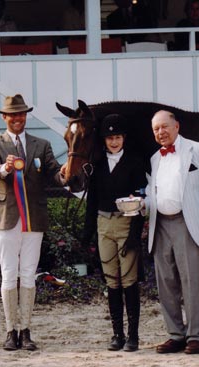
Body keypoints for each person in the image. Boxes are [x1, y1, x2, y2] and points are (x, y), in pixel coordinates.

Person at [0, 94, 66, 351]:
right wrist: (6, 169)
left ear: (25, 116)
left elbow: (54, 173)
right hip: (6, 217)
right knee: (9, 273)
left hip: (34, 216)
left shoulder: (41, 144)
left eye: (21, 114)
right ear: (4, 117)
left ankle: (26, 330)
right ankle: (11, 331)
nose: (17, 118)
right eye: (12, 114)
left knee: (29, 273)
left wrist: (68, 173)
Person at [143, 110, 199, 355]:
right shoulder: (154, 158)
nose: (161, 132)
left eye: (165, 127)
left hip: (188, 223)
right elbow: (153, 194)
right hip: (160, 225)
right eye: (156, 129)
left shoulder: (198, 151)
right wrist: (141, 204)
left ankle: (196, 337)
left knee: (192, 281)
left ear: (177, 126)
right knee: (166, 283)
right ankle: (176, 335)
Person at [82, 114, 146, 352]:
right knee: (112, 282)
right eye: (110, 138)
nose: (114, 142)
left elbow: (140, 200)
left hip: (126, 223)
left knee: (129, 280)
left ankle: (134, 335)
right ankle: (117, 333)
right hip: (103, 223)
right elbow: (92, 201)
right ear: (104, 140)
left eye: (117, 137)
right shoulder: (97, 165)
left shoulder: (135, 162)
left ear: (124, 138)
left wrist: (134, 235)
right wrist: (87, 233)